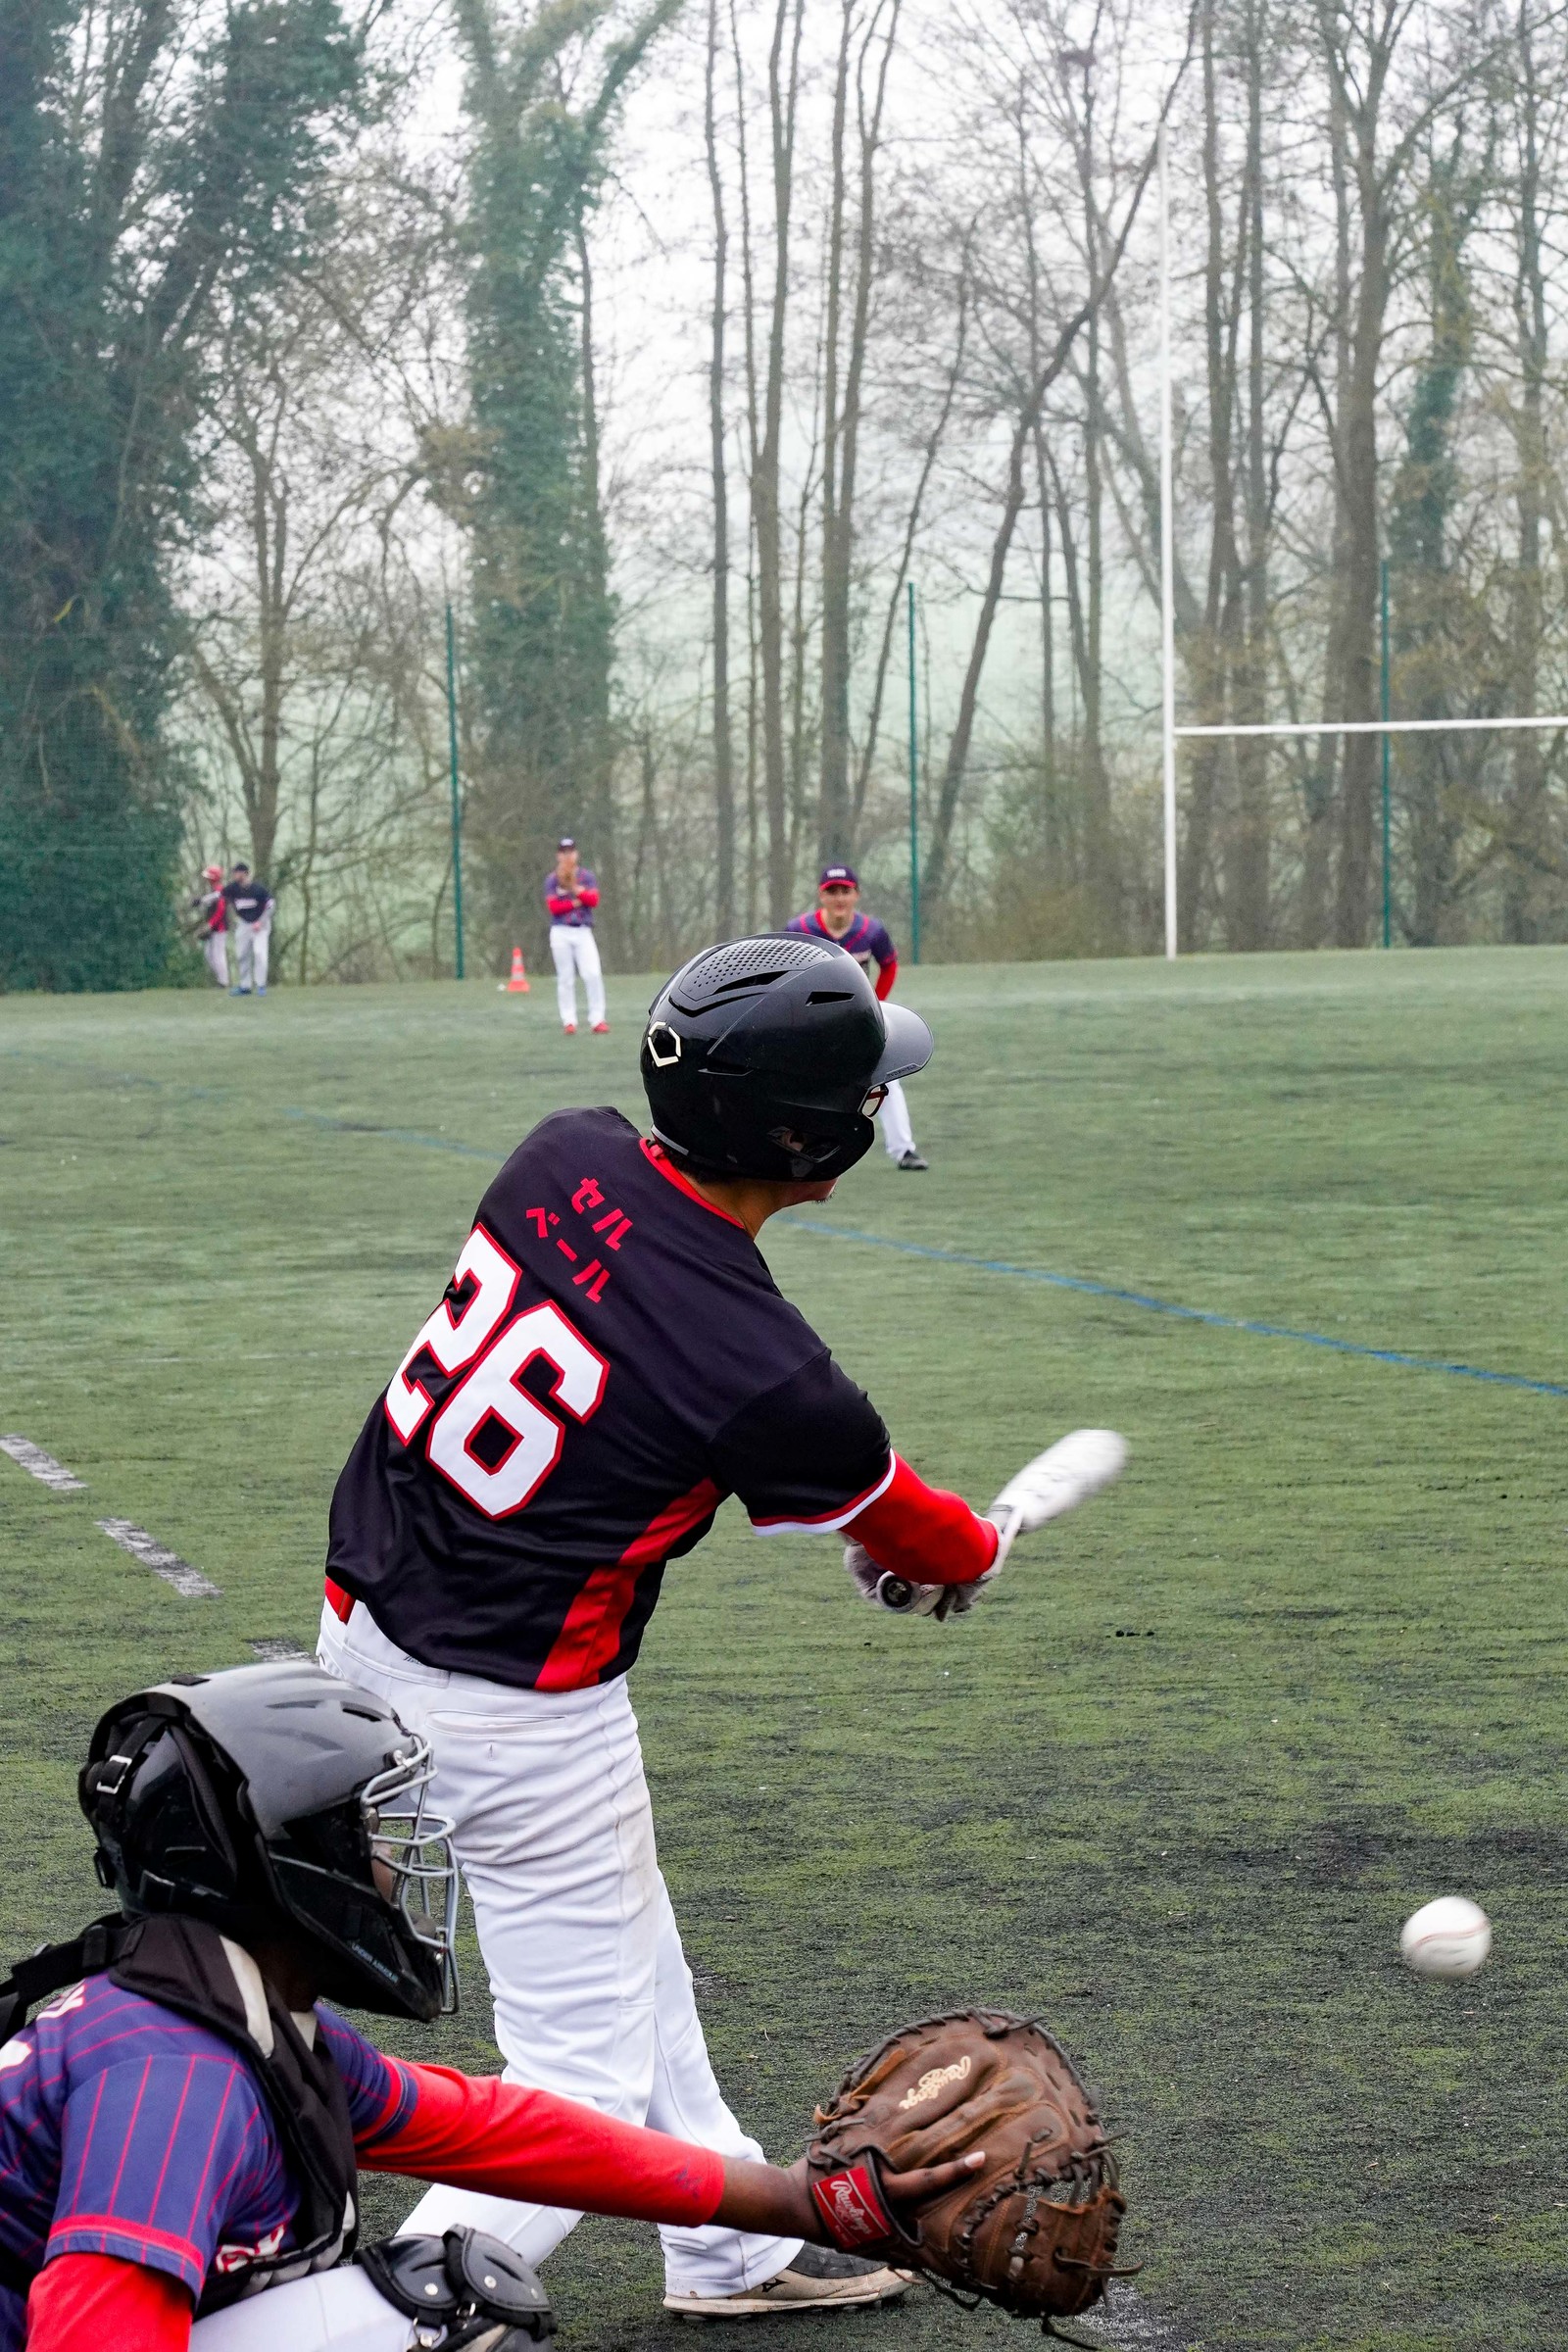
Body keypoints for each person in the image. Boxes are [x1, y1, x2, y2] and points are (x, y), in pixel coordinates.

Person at [319, 934, 1115, 2318]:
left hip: (363, 1643)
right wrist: (957, 1556)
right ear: (812, 1139)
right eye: (863, 1091)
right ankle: (375, 2323)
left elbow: (654, 1394)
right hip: (516, 1709)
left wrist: (879, 1544)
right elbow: (921, 1533)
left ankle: (729, 2245)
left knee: (636, 1948)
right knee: (579, 2089)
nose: (878, 1103)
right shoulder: (771, 1374)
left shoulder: (558, 1150)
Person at [0, 1660, 975, 2352]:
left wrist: (813, 2204)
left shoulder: (220, 2014)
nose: (393, 1864)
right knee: (444, 2308)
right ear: (283, 1864)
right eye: (369, 1830)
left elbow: (503, 2137)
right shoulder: (179, 2080)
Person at [785, 865, 927, 1169]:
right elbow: (783, 972)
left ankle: (904, 1151)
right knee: (804, 1084)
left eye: (845, 891)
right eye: (832, 891)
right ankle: (798, 1150)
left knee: (887, 1078)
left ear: (856, 895)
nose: (839, 898)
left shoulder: (871, 931)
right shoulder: (799, 930)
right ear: (821, 895)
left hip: (855, 1020)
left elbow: (889, 964)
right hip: (814, 1021)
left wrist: (876, 1002)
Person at [544, 839, 606, 1035]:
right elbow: (554, 908)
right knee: (565, 977)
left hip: (582, 930)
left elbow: (593, 900)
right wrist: (577, 902)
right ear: (558, 855)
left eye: (571, 851)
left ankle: (597, 1019)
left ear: (576, 854)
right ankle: (569, 1020)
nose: (567, 855)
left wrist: (574, 889)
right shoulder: (553, 879)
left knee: (593, 974)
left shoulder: (586, 877)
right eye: (563, 851)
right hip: (561, 931)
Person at [222, 864, 274, 998]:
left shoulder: (258, 889)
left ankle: (261, 985)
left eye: (237, 872)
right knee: (242, 955)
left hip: (260, 925)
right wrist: (200, 901)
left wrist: (261, 922)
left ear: (245, 873)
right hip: (244, 924)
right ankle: (245, 986)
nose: (234, 875)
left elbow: (271, 906)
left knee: (259, 953)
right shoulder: (233, 888)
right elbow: (218, 895)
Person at [188, 866, 228, 989]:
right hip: (213, 928)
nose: (206, 879)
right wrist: (200, 901)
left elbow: (221, 910)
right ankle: (220, 980)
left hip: (219, 928)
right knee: (209, 955)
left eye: (208, 877)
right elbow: (209, 900)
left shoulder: (220, 891)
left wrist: (210, 924)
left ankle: (223, 982)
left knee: (218, 955)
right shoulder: (215, 891)